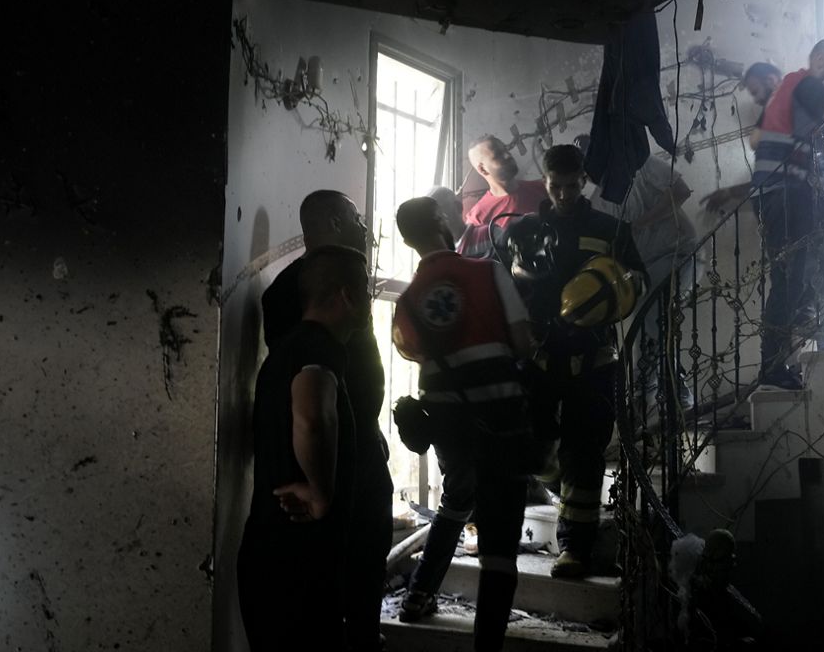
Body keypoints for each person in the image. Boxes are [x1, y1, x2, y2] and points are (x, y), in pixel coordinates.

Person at [391, 196, 535, 650]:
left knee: (457, 497)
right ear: (439, 223)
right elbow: (523, 342)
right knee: (499, 547)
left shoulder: (408, 301)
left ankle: (418, 593)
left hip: (450, 428)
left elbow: (411, 352)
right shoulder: (488, 272)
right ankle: (487, 642)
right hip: (502, 422)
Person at [504, 144, 646, 578]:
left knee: (583, 454)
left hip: (593, 357)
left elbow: (639, 279)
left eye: (571, 185)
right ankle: (556, 493)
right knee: (531, 450)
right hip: (538, 357)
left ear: (583, 179)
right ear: (545, 182)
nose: (564, 194)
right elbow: (500, 285)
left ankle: (574, 550)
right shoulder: (523, 229)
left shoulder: (610, 229)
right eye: (555, 186)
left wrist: (615, 292)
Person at [259, 190, 391, 652]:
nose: (364, 225)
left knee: (367, 560)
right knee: (336, 574)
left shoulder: (340, 279)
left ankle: (362, 633)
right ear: (334, 221)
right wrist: (320, 480)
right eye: (355, 216)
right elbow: (310, 402)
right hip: (325, 461)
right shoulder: (292, 296)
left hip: (356, 446)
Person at [702, 40, 824, 389]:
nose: (757, 97)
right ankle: (779, 355)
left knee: (800, 272)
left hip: (780, 197)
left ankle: (801, 316)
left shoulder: (787, 91)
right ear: (822, 59)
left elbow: (761, 142)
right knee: (796, 278)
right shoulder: (802, 83)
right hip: (788, 196)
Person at [238, 246, 371, 651]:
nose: (369, 300)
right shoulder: (318, 348)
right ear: (347, 295)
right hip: (295, 565)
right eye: (366, 290)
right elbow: (313, 416)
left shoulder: (287, 350)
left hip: (273, 558)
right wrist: (320, 493)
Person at [582, 134, 698, 409]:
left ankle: (647, 391)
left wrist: (640, 223)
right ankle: (671, 384)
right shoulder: (598, 201)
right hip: (646, 265)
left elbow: (681, 191)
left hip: (677, 250)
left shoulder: (642, 166)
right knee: (653, 322)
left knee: (650, 316)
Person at [456, 135, 548, 259]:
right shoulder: (478, 219)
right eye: (498, 155)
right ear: (482, 169)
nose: (508, 156)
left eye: (506, 150)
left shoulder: (544, 188)